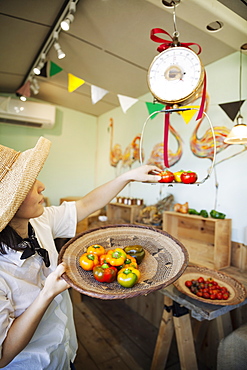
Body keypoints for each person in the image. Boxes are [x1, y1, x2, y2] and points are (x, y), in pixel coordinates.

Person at [0, 136, 161, 369]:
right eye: (27, 184)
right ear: (9, 206)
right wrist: (47, 294)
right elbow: (3, 354)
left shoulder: (40, 221)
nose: (42, 185)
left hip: (65, 351)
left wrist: (128, 176)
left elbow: (86, 204)